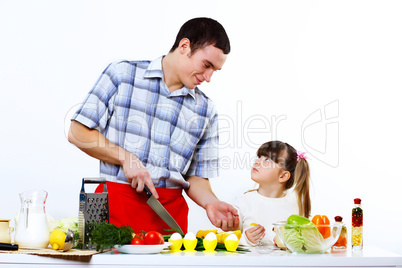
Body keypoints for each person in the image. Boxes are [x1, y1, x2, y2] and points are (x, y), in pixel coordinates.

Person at [68, 17, 239, 235]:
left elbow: (196, 177)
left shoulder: (206, 109)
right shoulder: (122, 75)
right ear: (184, 46)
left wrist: (210, 203)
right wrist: (126, 157)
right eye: (206, 65)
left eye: (215, 70)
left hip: (168, 222)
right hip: (113, 211)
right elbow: (77, 132)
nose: (208, 77)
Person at [233, 140, 311, 247]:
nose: (257, 162)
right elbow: (228, 239)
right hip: (251, 263)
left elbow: (304, 244)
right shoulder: (243, 202)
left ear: (283, 176)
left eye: (267, 159)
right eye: (258, 157)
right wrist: (246, 239)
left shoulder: (296, 206)